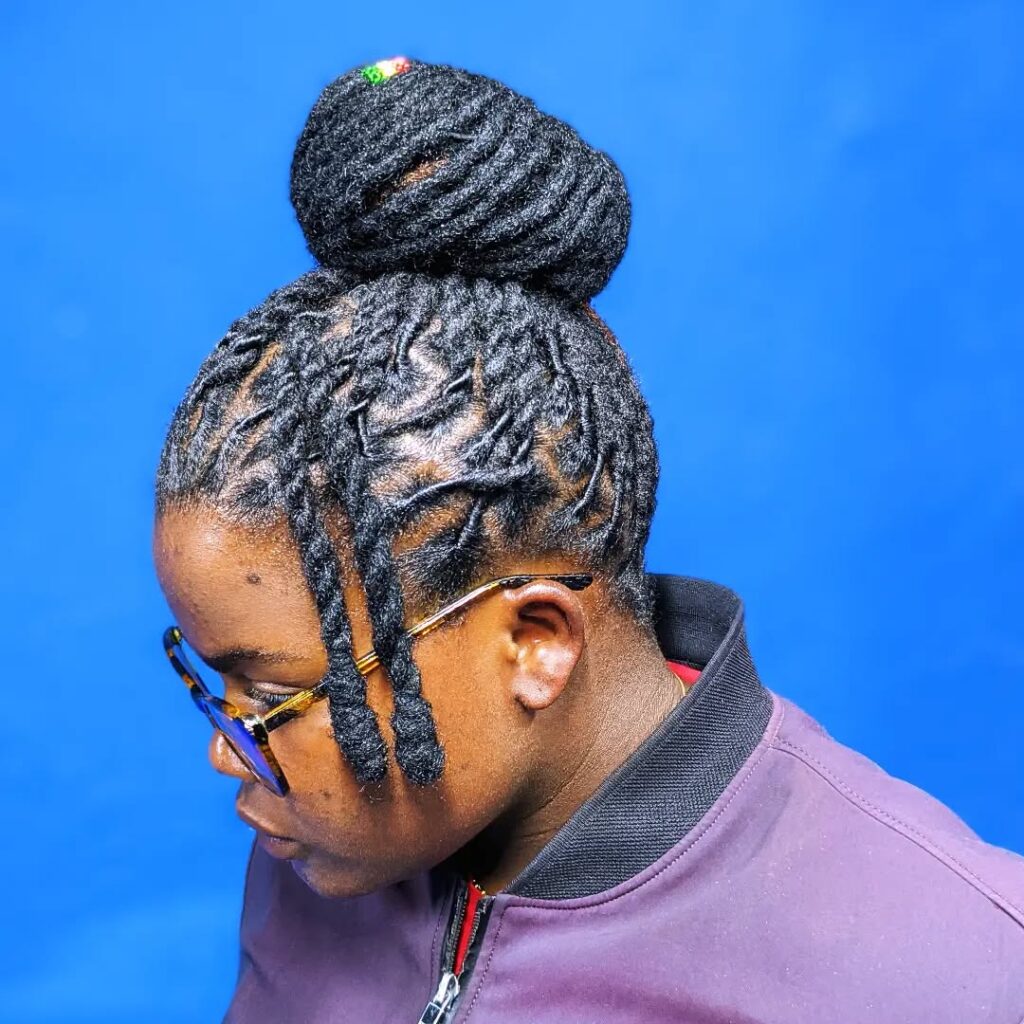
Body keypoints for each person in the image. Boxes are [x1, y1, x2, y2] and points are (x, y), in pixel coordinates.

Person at [152, 56, 1024, 1024]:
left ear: (536, 641)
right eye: (215, 685)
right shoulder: (334, 850)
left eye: (270, 696)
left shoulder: (961, 972)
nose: (229, 750)